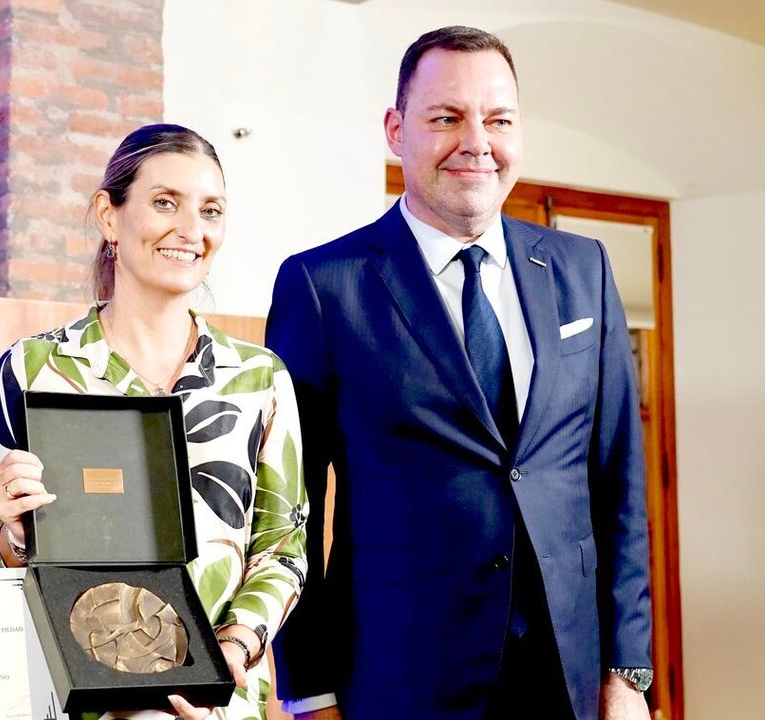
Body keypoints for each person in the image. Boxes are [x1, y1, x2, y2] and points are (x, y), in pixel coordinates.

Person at [267, 26, 652, 720]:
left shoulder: (583, 270)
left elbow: (617, 483)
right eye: (446, 117)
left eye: (498, 119)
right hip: (399, 681)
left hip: (568, 679)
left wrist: (628, 673)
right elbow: (291, 513)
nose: (477, 140)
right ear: (396, 129)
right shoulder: (324, 287)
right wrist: (308, 692)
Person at [0, 124, 308, 720]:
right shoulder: (33, 368)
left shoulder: (260, 378)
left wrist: (230, 649)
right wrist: (16, 534)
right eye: (164, 203)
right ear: (108, 215)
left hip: (218, 704)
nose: (190, 231)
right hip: (75, 703)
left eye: (210, 210)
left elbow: (283, 548)